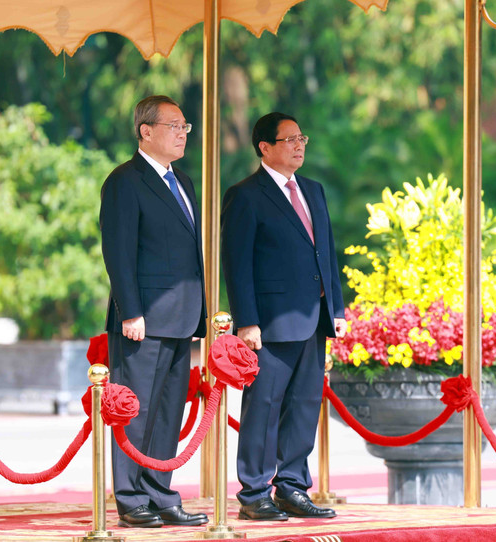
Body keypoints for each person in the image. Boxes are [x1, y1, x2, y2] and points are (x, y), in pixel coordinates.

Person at [220, 112, 347, 521]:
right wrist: (247, 322)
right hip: (270, 324)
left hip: (314, 319)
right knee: (264, 407)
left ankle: (292, 487)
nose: (299, 145)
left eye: (302, 138)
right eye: (290, 139)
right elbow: (236, 264)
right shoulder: (245, 195)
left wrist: (337, 308)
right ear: (265, 147)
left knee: (305, 405)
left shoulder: (313, 189)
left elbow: (326, 253)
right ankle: (254, 493)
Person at [100, 95, 208, 528]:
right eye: (174, 125)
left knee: (168, 412)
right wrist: (131, 310)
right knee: (137, 410)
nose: (183, 133)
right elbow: (119, 251)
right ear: (146, 131)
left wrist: (201, 314)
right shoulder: (125, 181)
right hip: (141, 320)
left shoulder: (183, 181)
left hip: (182, 317)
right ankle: (130, 497)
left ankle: (161, 493)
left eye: (185, 127)